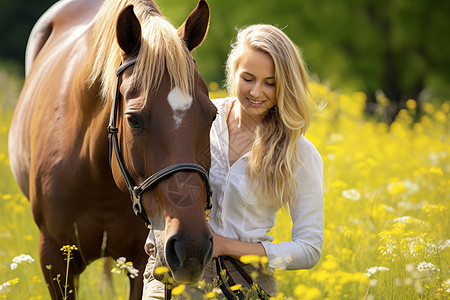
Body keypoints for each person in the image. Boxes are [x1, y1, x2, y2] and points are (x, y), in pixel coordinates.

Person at [143, 24, 323, 299]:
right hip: (175, 269)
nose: (256, 92)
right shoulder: (197, 120)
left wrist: (226, 246)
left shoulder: (299, 153)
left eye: (270, 83)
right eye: (248, 78)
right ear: (233, 73)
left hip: (246, 280)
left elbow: (309, 249)